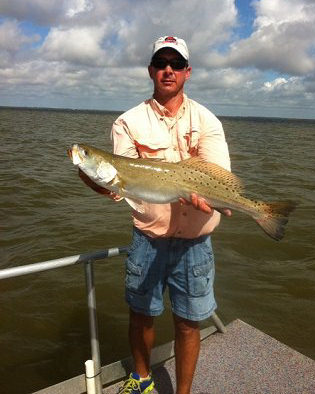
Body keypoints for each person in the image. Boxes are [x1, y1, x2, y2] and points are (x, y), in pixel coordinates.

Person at [79, 36, 231, 394]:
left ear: (187, 72)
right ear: (150, 70)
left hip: (196, 242)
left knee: (189, 324)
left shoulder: (207, 120)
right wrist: (91, 175)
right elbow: (115, 184)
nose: (168, 69)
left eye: (176, 64)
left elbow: (218, 173)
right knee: (141, 314)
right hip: (148, 238)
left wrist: (214, 197)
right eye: (161, 62)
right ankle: (142, 378)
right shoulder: (127, 122)